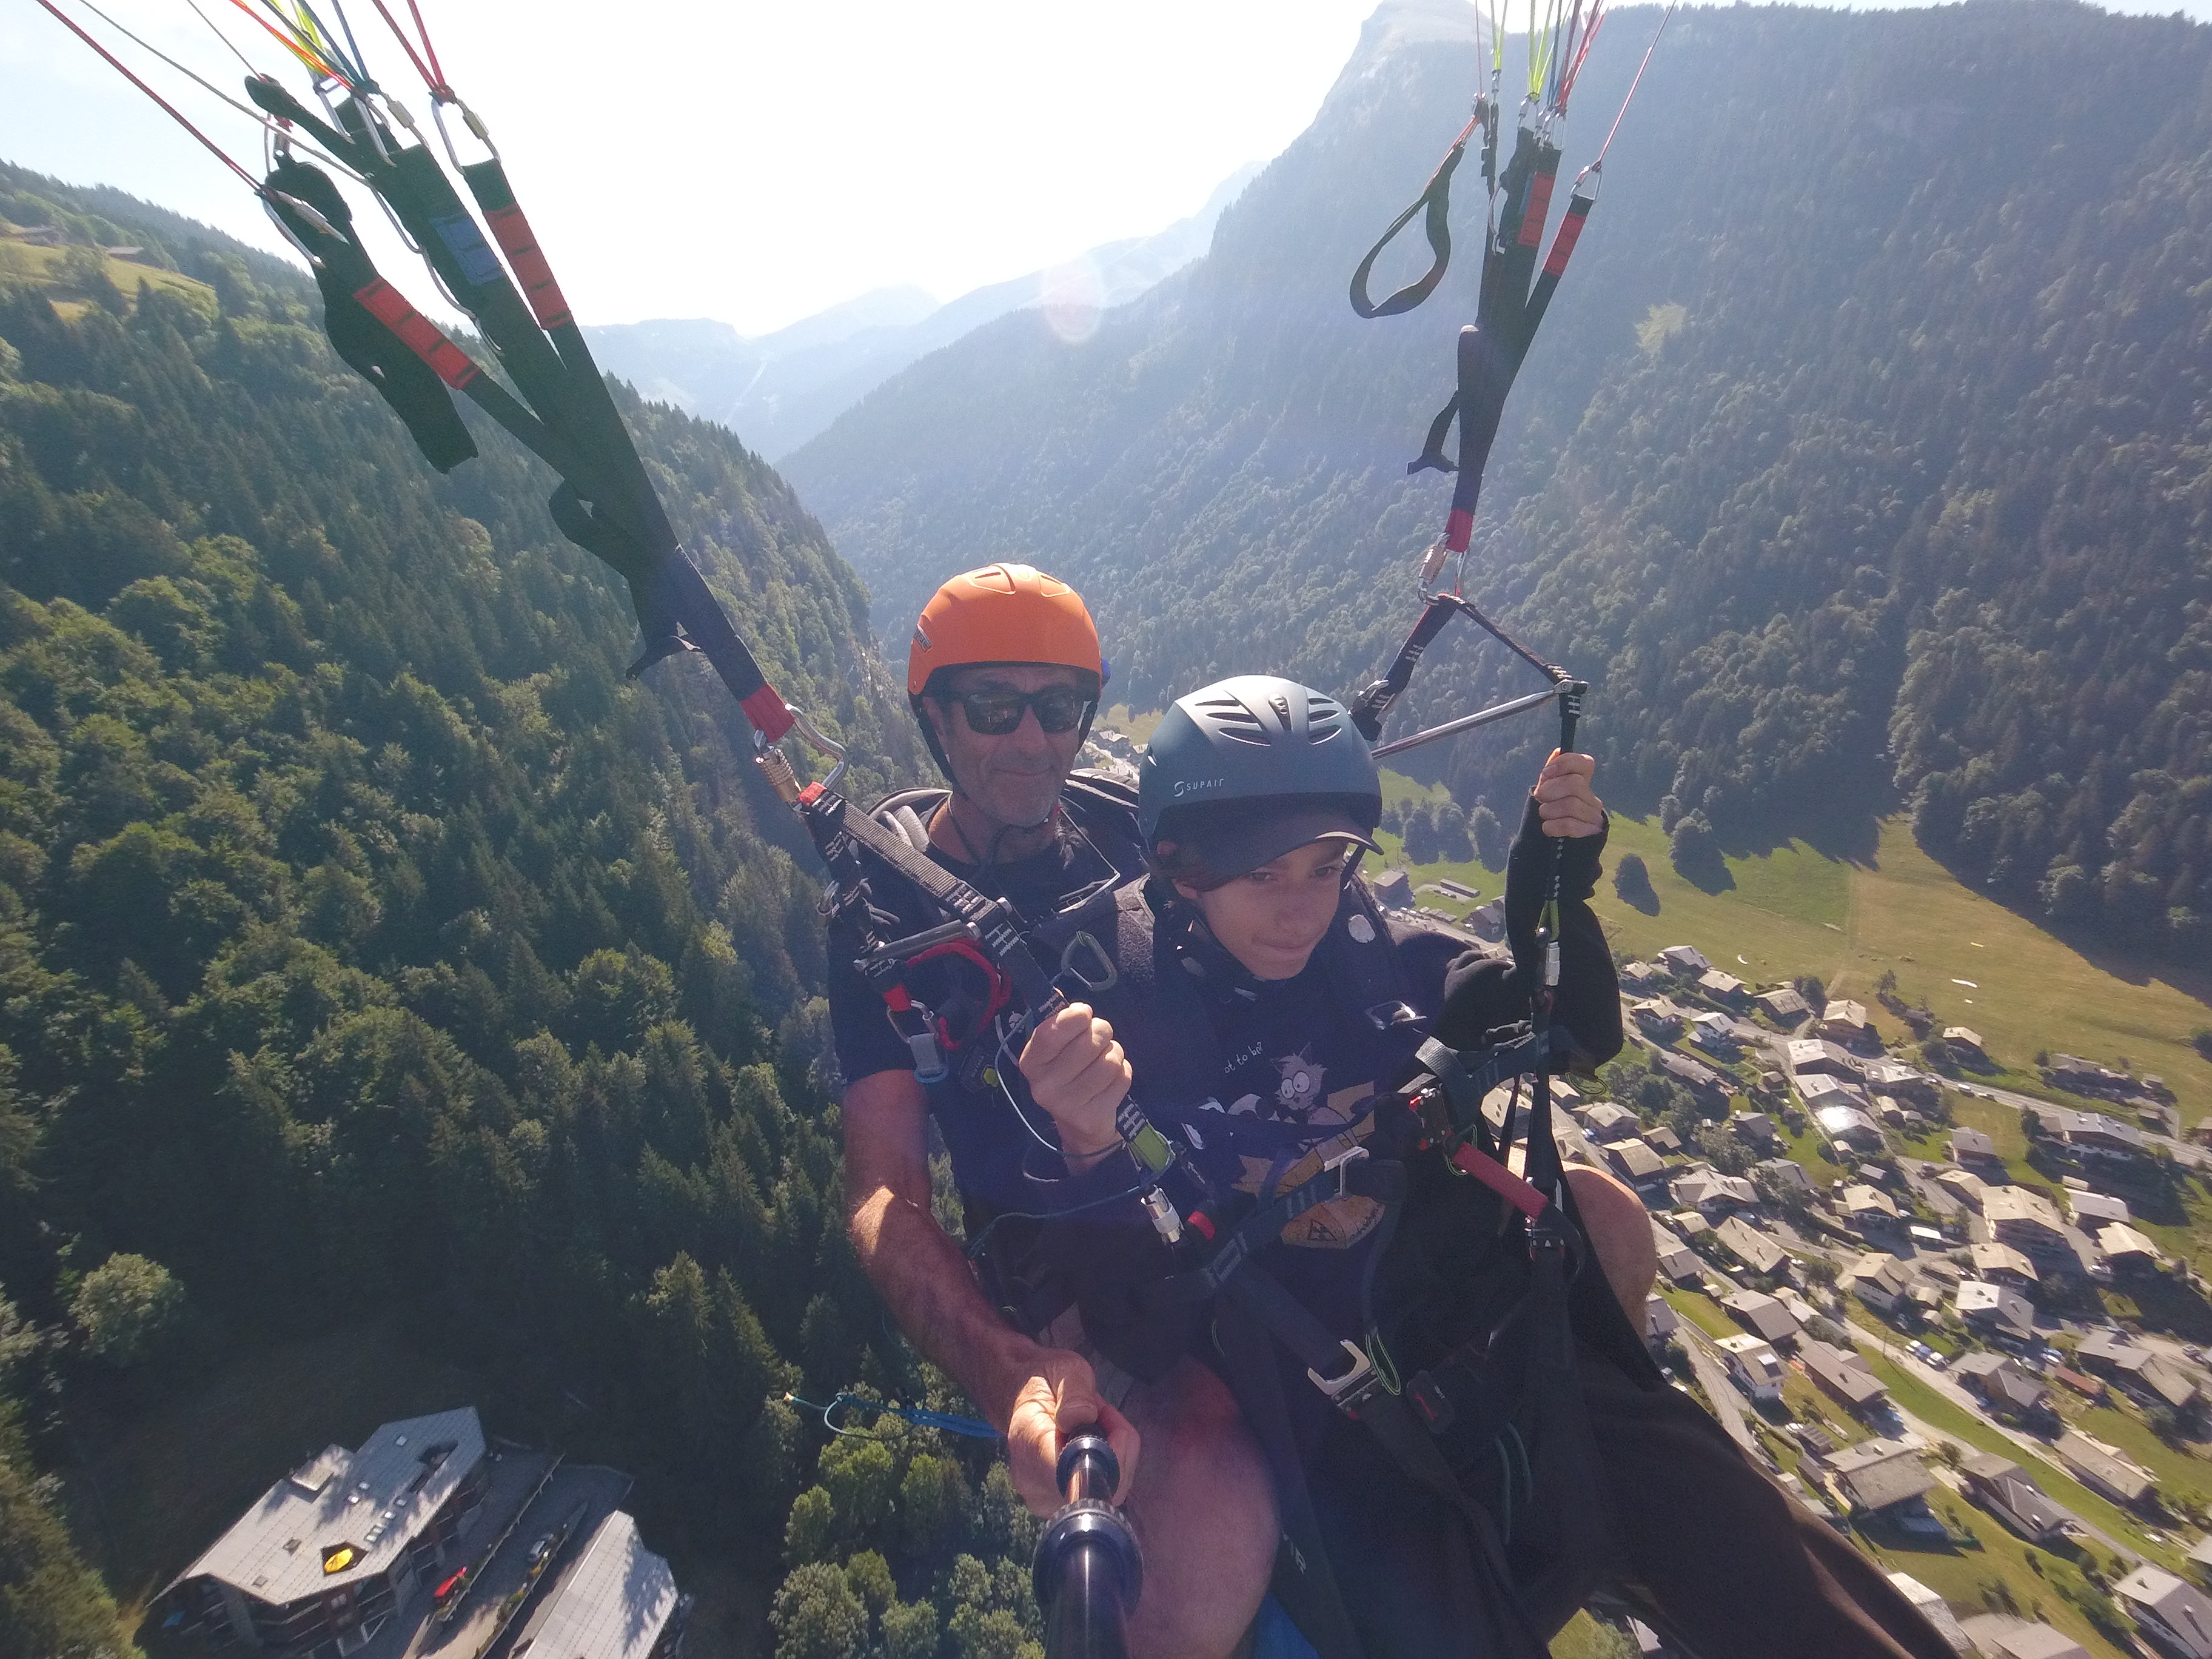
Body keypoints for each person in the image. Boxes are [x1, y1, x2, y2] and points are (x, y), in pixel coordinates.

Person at [1007, 675, 1954, 1659]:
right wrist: (1086, 1139)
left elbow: (1574, 1031)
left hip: (1500, 1341)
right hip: (1326, 1421)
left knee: (1787, 1580)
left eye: (1327, 866)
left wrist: (1550, 886)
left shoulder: (1370, 955)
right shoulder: (1119, 1005)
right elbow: (1111, 1307)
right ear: (1184, 872)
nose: (1302, 911)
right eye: (1266, 876)